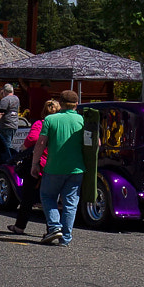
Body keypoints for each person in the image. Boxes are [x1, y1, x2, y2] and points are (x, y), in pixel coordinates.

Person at [38, 91, 86, 245]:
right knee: (71, 203)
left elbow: (41, 143)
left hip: (54, 167)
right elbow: (96, 144)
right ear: (76, 104)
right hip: (76, 168)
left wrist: (34, 163)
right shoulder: (83, 120)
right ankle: (65, 238)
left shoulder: (50, 119)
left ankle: (54, 227)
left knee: (47, 196)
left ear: (60, 103)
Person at [5, 98, 58, 231]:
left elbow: (33, 138)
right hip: (56, 164)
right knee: (52, 199)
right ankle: (53, 228)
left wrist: (24, 147)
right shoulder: (59, 125)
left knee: (28, 197)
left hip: (39, 163)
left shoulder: (41, 123)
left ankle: (19, 226)